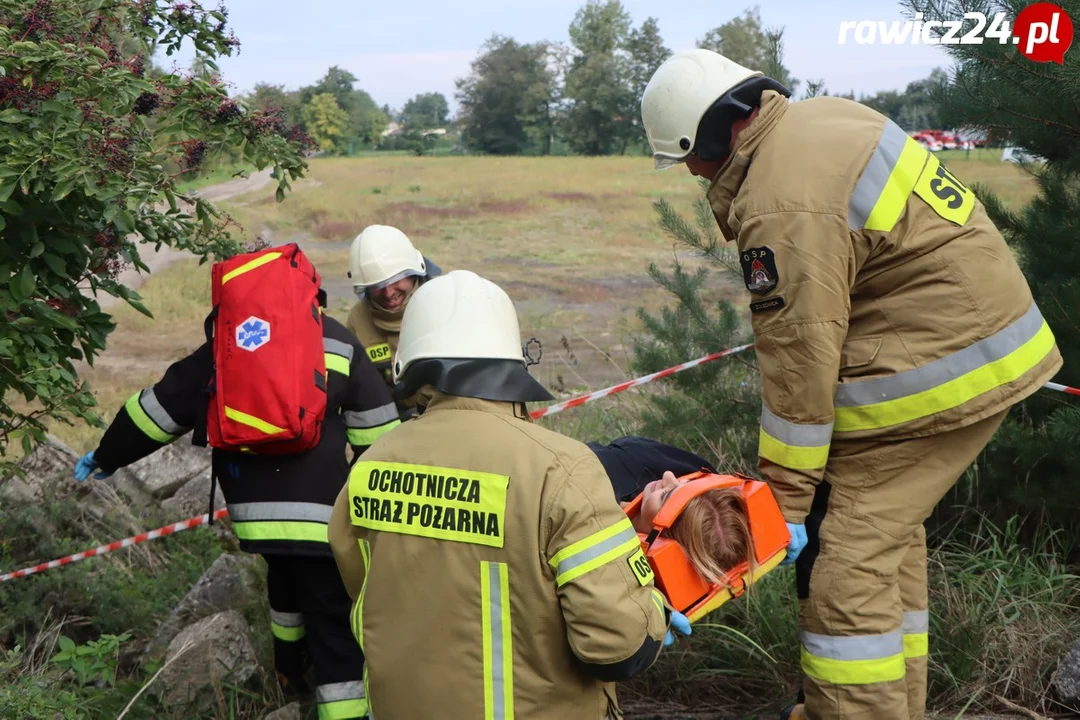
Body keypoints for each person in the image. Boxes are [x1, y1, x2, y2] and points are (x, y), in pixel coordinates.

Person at [640, 48, 1063, 720]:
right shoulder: (827, 119)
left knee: (842, 567)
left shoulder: (780, 198)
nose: (691, 173)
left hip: (932, 375)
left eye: (687, 156)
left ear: (716, 133)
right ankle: (898, 705)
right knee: (885, 540)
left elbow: (799, 368)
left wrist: (784, 507)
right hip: (980, 347)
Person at [327, 270, 687, 720]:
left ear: (413, 367)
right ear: (511, 364)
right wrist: (652, 602)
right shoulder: (560, 468)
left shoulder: (369, 467)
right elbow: (618, 647)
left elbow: (380, 593)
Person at [73, 280, 401, 720]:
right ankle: (342, 710)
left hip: (256, 518)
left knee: (285, 581)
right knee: (335, 630)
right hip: (324, 516)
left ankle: (289, 672)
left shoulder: (229, 340)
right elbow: (378, 431)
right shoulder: (336, 338)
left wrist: (107, 454)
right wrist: (376, 505)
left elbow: (159, 408)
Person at [588, 435, 755, 589]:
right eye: (685, 483)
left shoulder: (590, 512)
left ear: (662, 541)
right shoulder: (684, 471)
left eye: (665, 496)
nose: (668, 475)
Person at [346, 224, 442, 419]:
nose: (389, 293)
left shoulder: (442, 303)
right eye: (378, 286)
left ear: (413, 272)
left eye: (396, 280)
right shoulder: (358, 320)